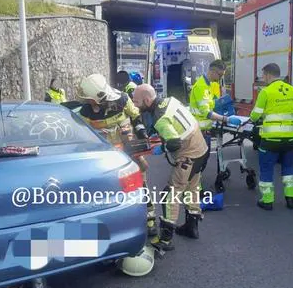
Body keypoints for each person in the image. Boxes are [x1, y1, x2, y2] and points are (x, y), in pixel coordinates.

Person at [76, 74, 157, 236]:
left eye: (90, 99)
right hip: (107, 157)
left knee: (141, 183)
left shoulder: (122, 100)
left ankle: (150, 220)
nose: (88, 102)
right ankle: (119, 223)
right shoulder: (86, 111)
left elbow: (135, 116)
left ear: (99, 97)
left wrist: (141, 131)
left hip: (130, 151)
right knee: (113, 189)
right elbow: (82, 132)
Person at [132, 83, 210, 250]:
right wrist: (160, 135)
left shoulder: (160, 118)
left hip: (187, 156)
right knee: (192, 188)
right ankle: (192, 227)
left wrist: (162, 148)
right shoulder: (169, 101)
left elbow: (174, 143)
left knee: (170, 195)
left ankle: (165, 239)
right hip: (201, 149)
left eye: (137, 102)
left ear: (147, 100)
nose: (135, 105)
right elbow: (176, 124)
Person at [249, 63, 293, 211]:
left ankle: (267, 200)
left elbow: (255, 115)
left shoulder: (266, 92)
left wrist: (257, 116)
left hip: (271, 139)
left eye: (263, 75)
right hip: (290, 138)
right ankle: (291, 199)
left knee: (266, 169)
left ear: (269, 75)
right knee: (288, 168)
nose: (262, 78)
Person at [188, 60, 235, 190]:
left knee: (203, 160)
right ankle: (195, 190)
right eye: (220, 75)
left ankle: (195, 187)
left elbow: (210, 105)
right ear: (213, 71)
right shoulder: (201, 86)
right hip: (199, 131)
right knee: (198, 162)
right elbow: (206, 112)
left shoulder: (208, 85)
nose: (220, 78)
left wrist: (220, 102)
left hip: (205, 131)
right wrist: (225, 119)